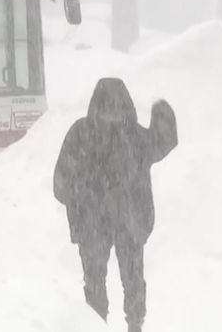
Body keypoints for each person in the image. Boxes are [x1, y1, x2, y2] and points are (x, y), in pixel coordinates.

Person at [53, 78, 178, 332]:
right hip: (92, 224)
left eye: (117, 108)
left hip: (128, 222)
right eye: (107, 108)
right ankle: (96, 326)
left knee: (133, 282)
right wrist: (84, 198)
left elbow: (163, 143)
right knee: (94, 284)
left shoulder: (135, 137)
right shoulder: (81, 134)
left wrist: (162, 115)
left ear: (126, 109)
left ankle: (135, 326)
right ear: (96, 109)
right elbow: (61, 183)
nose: (112, 115)